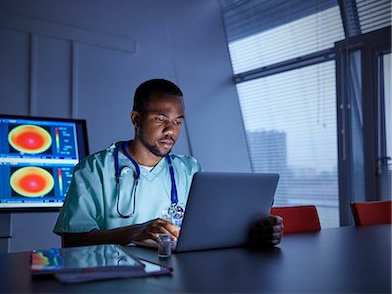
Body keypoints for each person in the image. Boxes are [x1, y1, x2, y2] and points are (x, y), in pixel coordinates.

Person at [54, 78, 283, 247]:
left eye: (177, 122)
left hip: (177, 274)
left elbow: (207, 231)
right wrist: (134, 232)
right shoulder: (94, 170)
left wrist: (255, 231)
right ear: (136, 119)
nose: (170, 130)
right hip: (117, 277)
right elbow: (72, 240)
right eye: (160, 119)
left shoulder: (189, 169)